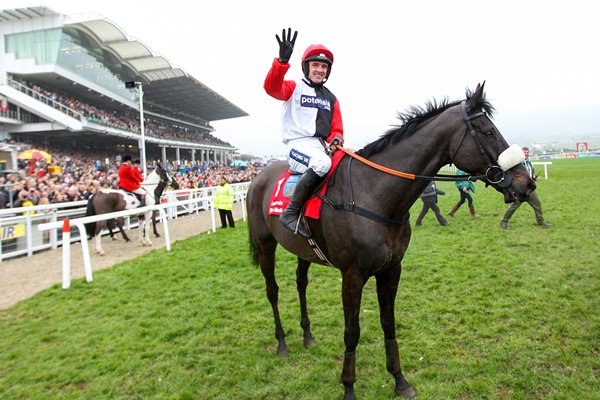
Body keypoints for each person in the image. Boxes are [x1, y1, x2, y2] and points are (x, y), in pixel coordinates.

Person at [264, 28, 344, 238]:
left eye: (324, 66)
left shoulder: (332, 98)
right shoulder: (293, 87)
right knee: (322, 164)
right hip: (296, 145)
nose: (319, 70)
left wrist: (337, 139)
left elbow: (337, 130)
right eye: (315, 65)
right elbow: (272, 88)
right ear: (306, 67)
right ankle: (290, 213)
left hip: (320, 146)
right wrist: (281, 62)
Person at [500, 147, 551, 229]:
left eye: (527, 153)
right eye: (524, 153)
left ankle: (540, 221)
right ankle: (504, 221)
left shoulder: (529, 163)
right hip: (520, 190)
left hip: (530, 188)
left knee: (537, 206)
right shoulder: (517, 165)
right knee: (514, 206)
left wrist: (533, 177)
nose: (526, 154)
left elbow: (530, 173)